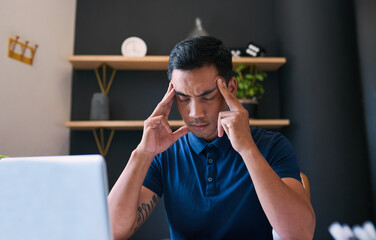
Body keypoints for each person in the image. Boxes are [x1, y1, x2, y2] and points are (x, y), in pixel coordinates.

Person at [108, 36, 315, 240]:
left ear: (231, 89)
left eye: (207, 97)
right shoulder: (165, 153)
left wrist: (248, 149)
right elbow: (111, 231)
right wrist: (142, 153)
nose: (195, 112)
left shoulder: (271, 146)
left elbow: (299, 234)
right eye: (183, 98)